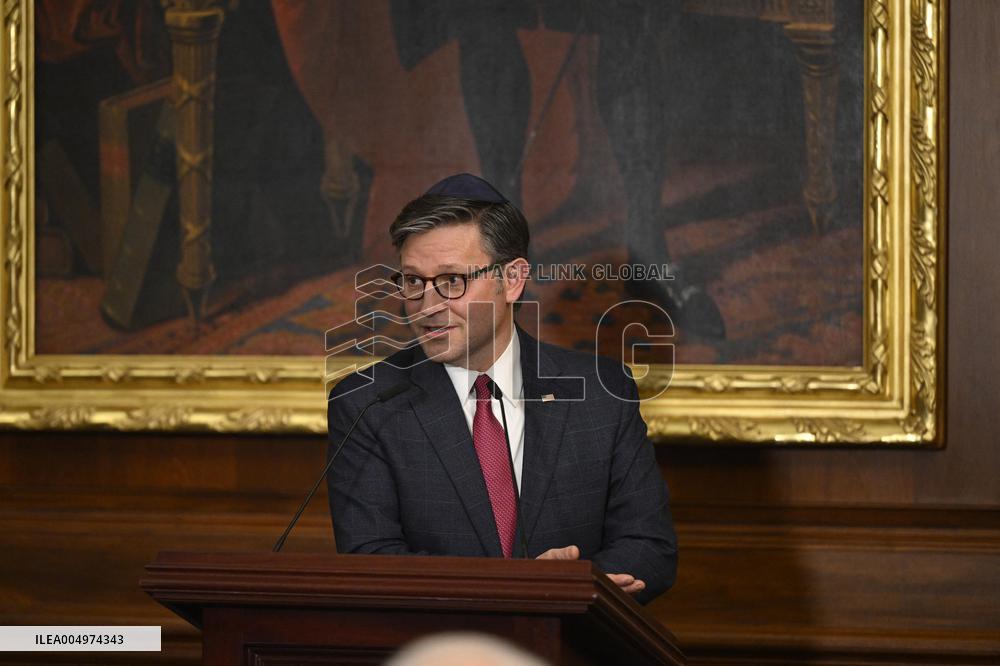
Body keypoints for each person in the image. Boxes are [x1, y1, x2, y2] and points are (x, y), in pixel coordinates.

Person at [327, 173, 677, 604]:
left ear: (512, 280)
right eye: (413, 281)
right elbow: (370, 559)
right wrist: (519, 592)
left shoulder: (602, 392)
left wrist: (578, 585)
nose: (428, 305)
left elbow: (649, 547)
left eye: (453, 280)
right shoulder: (366, 401)